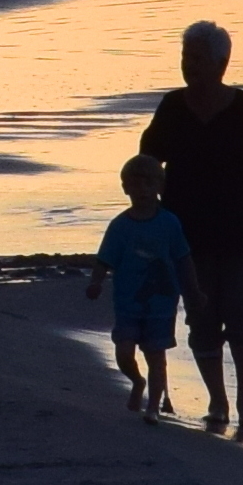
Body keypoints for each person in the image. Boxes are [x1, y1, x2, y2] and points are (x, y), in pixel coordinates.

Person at [141, 21, 243, 429]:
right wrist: (146, 210)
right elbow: (148, 163)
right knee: (202, 315)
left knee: (241, 313)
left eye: (197, 58)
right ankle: (217, 401)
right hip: (187, 233)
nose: (189, 65)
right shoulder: (172, 107)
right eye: (186, 57)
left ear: (221, 64)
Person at [86, 155, 205, 425]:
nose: (142, 191)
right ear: (125, 188)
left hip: (161, 303)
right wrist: (95, 282)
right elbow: (105, 259)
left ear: (159, 188)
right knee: (124, 352)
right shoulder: (120, 225)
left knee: (156, 356)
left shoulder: (169, 223)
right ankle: (137, 381)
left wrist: (194, 292)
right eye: (135, 185)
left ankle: (153, 406)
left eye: (148, 185)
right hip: (127, 302)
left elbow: (183, 259)